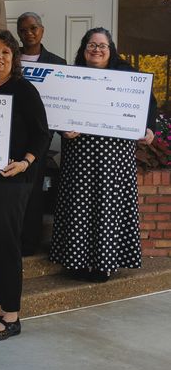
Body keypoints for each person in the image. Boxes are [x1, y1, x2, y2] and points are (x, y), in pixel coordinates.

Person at [49, 27, 157, 282]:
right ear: (84, 49)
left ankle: (104, 264)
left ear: (111, 50)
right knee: (78, 204)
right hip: (80, 152)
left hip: (114, 155)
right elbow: (55, 108)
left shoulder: (127, 76)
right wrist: (62, 128)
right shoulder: (72, 76)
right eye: (92, 45)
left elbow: (148, 102)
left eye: (102, 46)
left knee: (108, 206)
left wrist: (149, 127)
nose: (96, 50)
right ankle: (75, 261)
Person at [0, 30, 49, 340]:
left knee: (6, 245)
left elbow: (42, 134)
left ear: (14, 58)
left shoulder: (24, 90)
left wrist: (26, 161)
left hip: (11, 180)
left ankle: (13, 315)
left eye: (5, 52)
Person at [15, 12, 67, 256]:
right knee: (14, 189)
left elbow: (64, 99)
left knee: (34, 189)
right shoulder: (11, 58)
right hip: (13, 134)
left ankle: (30, 242)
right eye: (23, 29)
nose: (29, 33)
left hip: (40, 135)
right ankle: (12, 236)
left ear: (42, 30)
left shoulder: (57, 62)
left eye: (33, 28)